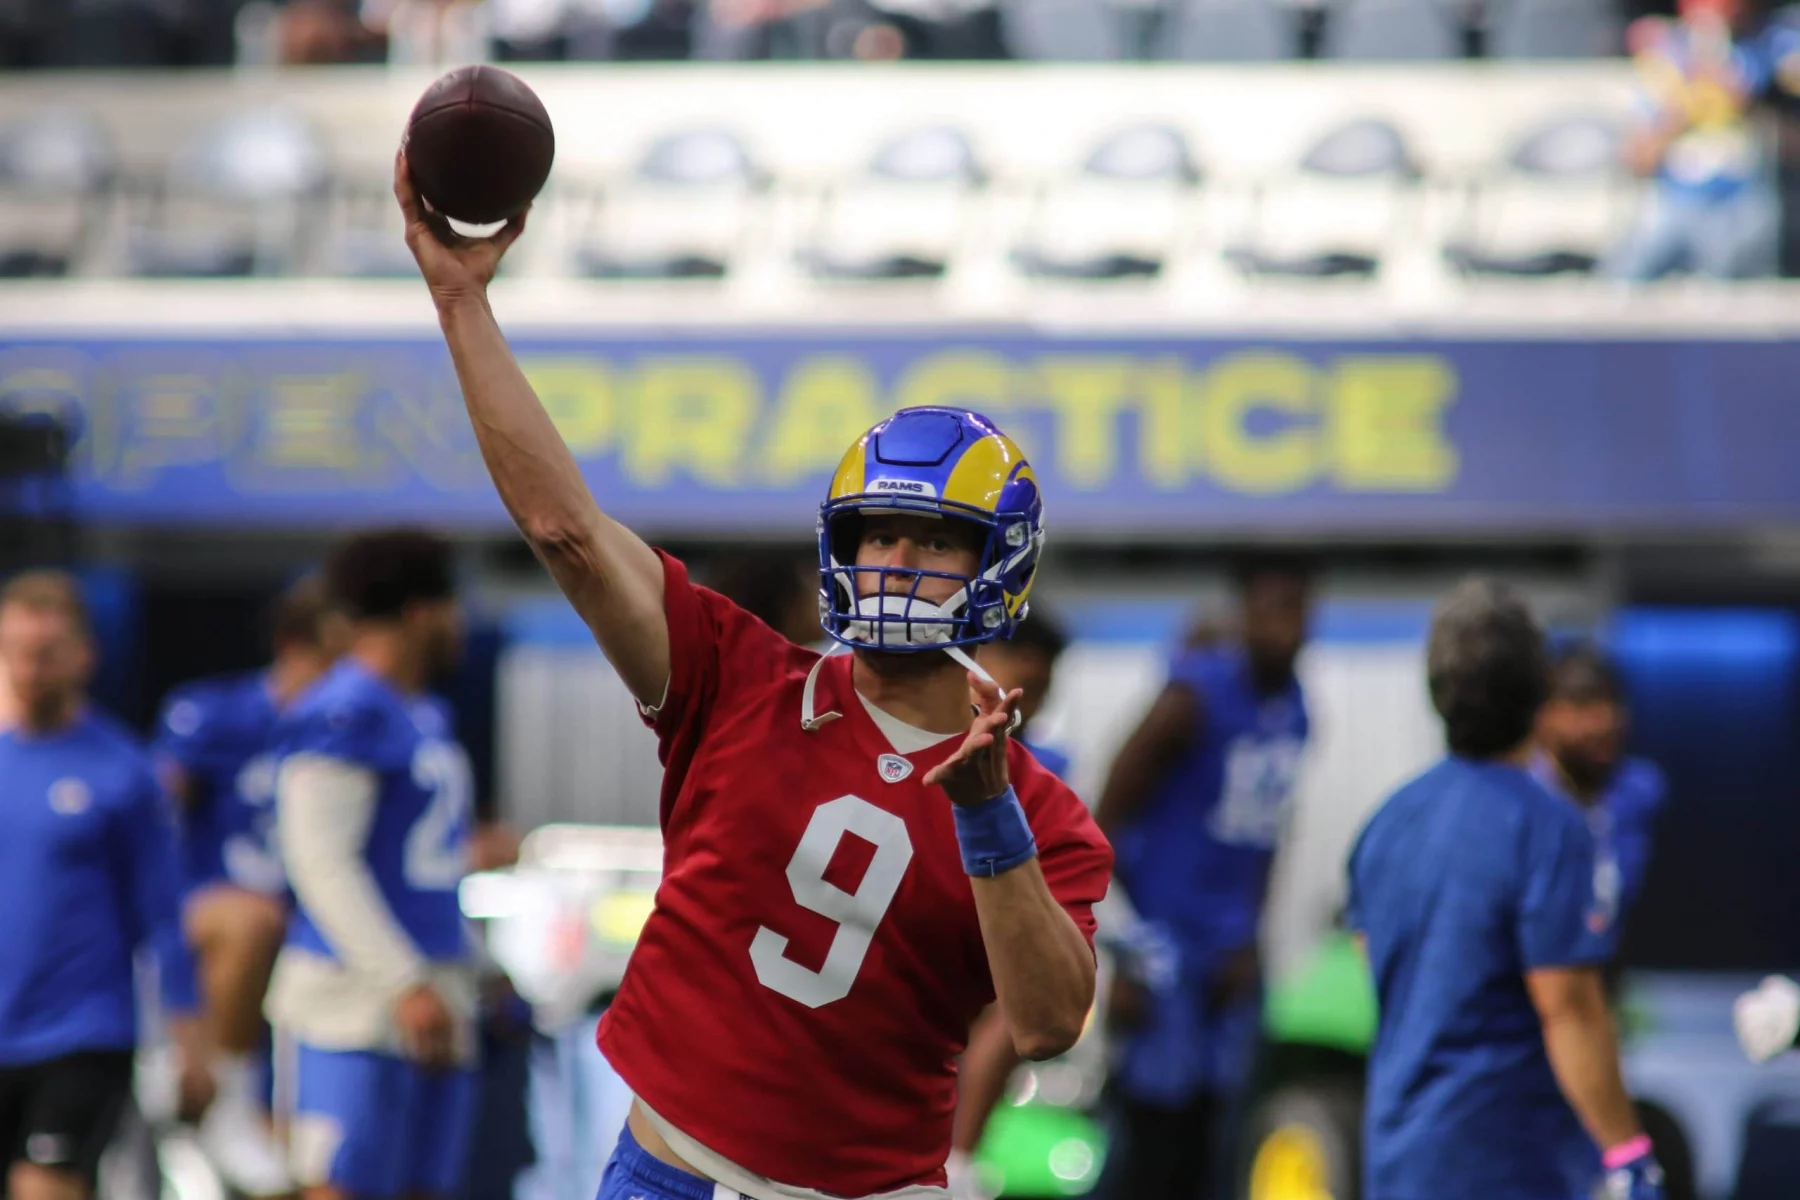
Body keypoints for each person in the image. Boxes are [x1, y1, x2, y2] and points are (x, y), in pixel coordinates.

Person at [394, 152, 1112, 1200]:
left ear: (997, 565)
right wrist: (460, 302)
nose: (895, 565)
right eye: (876, 536)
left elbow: (1049, 1024)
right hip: (666, 1174)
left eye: (933, 541)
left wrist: (988, 818)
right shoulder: (738, 678)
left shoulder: (1040, 813)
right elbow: (567, 533)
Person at [1346, 579, 1662, 1200]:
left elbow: (1377, 966)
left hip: (1398, 1153)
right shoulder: (1551, 828)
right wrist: (1629, 1152)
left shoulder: (1385, 823)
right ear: (1538, 693)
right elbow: (1567, 1005)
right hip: (1510, 1159)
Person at [1084, 557, 1311, 1200]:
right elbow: (1106, 818)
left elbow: (1269, 836)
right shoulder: (1191, 696)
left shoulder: (1295, 706)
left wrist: (1250, 935)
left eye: (1298, 610)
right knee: (1149, 1135)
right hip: (1166, 942)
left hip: (1230, 953)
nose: (1287, 627)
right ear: (1243, 616)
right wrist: (1125, 951)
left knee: (1221, 1137)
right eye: (1272, 609)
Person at [267, 530, 480, 1200]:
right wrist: (402, 980)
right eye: (453, 606)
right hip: (353, 996)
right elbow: (320, 862)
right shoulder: (344, 710)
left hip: (430, 985)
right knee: (340, 1186)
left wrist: (475, 964)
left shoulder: (419, 713)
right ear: (422, 613)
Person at [0, 570, 205, 1200]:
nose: (30, 666)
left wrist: (191, 1039)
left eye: (46, 651)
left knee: (46, 1189)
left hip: (79, 1032)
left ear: (83, 656)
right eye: (16, 649)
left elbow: (163, 915)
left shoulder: (123, 772)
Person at [154, 574, 345, 1196]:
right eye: (334, 657)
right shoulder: (212, 713)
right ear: (293, 644)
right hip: (211, 910)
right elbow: (152, 818)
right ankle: (224, 1091)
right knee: (250, 919)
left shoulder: (356, 724)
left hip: (312, 923)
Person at [949, 611, 1074, 1198]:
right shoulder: (932, 740)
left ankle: (957, 1159)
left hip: (985, 931)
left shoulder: (1049, 772)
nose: (1023, 701)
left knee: (1016, 1003)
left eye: (1040, 688)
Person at [1534, 643, 1668, 933]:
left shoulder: (1641, 791)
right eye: (1584, 704)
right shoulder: (1520, 798)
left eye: (1611, 703)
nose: (1604, 721)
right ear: (1544, 715)